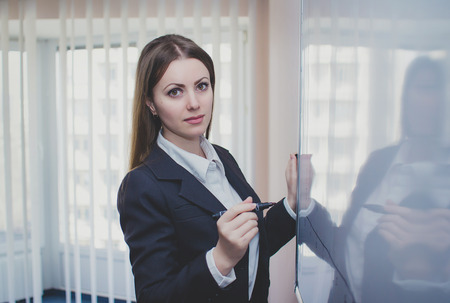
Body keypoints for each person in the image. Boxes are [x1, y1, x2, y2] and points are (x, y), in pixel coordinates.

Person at [117, 34, 299, 303]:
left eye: (202, 86)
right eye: (175, 91)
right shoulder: (142, 185)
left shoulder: (222, 157)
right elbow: (154, 296)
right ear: (151, 103)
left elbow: (253, 243)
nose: (194, 103)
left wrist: (293, 204)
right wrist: (220, 259)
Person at [298, 56, 450, 303]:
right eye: (419, 89)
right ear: (406, 101)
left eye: (432, 90)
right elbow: (345, 246)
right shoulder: (380, 164)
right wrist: (304, 203)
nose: (425, 101)